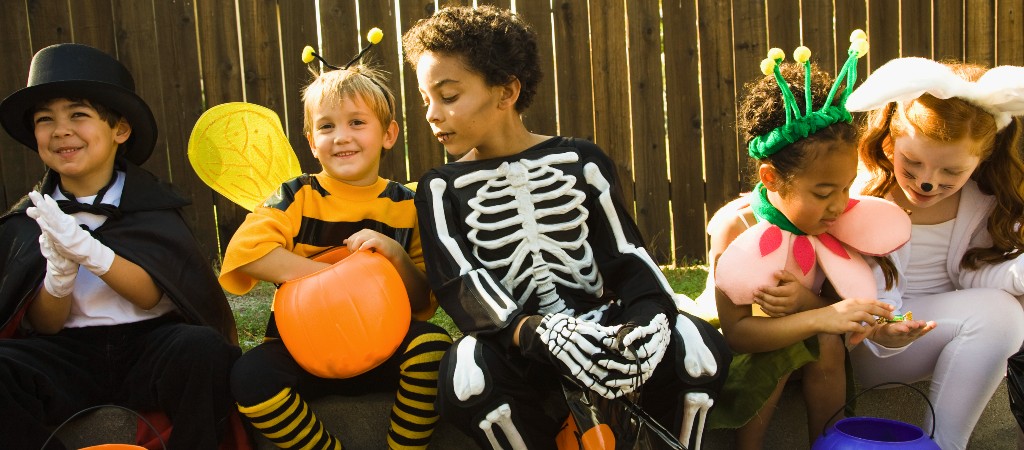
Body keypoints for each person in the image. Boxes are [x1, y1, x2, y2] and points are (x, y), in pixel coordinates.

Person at [402, 5, 730, 449]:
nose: (432, 114)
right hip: (516, 345)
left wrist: (646, 317)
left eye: (449, 96)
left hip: (598, 326)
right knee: (467, 378)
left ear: (506, 91)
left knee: (697, 345)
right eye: (426, 99)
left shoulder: (581, 160)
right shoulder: (441, 187)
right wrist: (530, 331)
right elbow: (459, 280)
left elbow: (626, 251)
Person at [0, 43, 240, 450]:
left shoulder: (154, 207)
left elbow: (150, 295)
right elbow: (44, 326)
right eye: (45, 119)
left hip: (150, 346)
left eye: (78, 114)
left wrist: (90, 252)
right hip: (67, 353)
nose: (60, 130)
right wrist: (59, 274)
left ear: (119, 130)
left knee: (204, 353)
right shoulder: (31, 219)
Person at [699, 38, 936, 449]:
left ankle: (830, 443)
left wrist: (880, 329)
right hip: (742, 351)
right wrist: (819, 319)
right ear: (771, 178)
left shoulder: (837, 223)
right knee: (800, 342)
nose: (840, 205)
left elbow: (834, 308)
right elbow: (738, 334)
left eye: (846, 188)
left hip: (814, 340)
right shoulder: (735, 229)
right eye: (824, 192)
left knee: (826, 343)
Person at [219, 44, 452, 450]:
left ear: (388, 134)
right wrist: (337, 281)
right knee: (248, 377)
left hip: (385, 344)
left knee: (434, 348)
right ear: (311, 142)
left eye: (357, 122)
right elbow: (249, 252)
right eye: (326, 127)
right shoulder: (296, 197)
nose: (341, 137)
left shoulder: (407, 206)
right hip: (302, 349)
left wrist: (394, 256)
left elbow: (422, 302)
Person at [844, 56, 1024, 450]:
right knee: (1003, 313)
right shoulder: (862, 196)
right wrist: (885, 331)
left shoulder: (983, 203)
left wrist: (1018, 274)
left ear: (982, 159)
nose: (927, 183)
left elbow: (976, 274)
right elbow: (866, 294)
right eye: (912, 163)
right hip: (878, 341)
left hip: (949, 328)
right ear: (889, 141)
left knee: (1005, 309)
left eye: (950, 173)